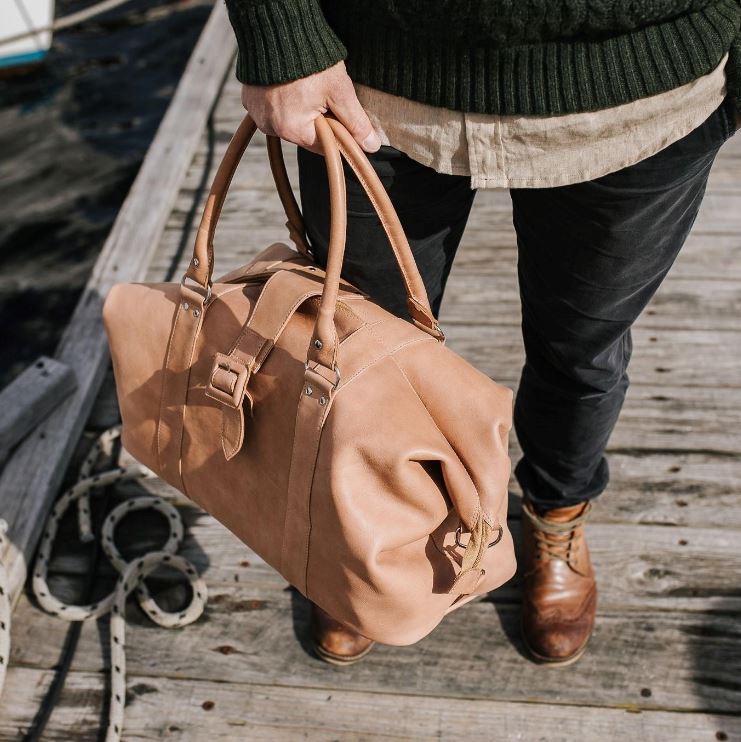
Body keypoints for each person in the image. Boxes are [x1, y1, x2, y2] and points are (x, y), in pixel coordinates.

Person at [224, 0, 741, 666]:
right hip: (376, 75)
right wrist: (280, 30)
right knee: (357, 357)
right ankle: (372, 534)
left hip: (640, 91)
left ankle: (556, 515)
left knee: (582, 353)